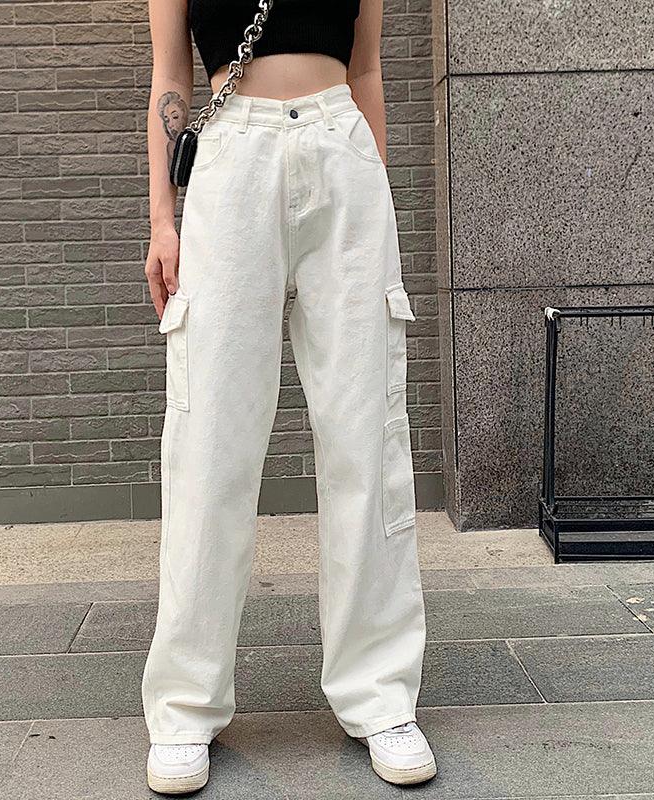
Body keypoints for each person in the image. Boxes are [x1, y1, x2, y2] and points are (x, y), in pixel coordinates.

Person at [141, 0, 435, 793]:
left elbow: (366, 67)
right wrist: (163, 219)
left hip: (343, 152)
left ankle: (380, 694)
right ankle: (184, 705)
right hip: (231, 158)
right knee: (210, 439)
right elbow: (171, 77)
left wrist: (378, 198)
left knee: (364, 433)